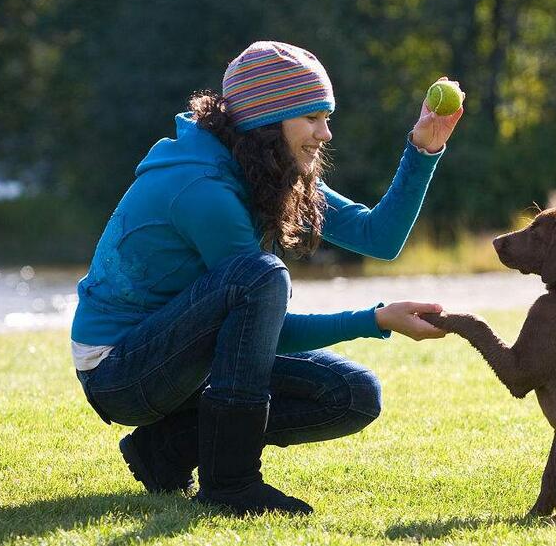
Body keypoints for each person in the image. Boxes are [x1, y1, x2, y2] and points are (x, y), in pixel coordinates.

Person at [70, 40, 463, 516]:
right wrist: (375, 319)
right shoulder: (203, 188)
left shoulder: (265, 167)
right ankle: (230, 484)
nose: (326, 133)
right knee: (260, 276)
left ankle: (167, 449)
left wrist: (425, 147)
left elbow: (377, 237)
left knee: (353, 396)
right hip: (120, 371)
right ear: (266, 121)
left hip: (186, 360)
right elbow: (268, 323)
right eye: (312, 117)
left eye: (326, 116)